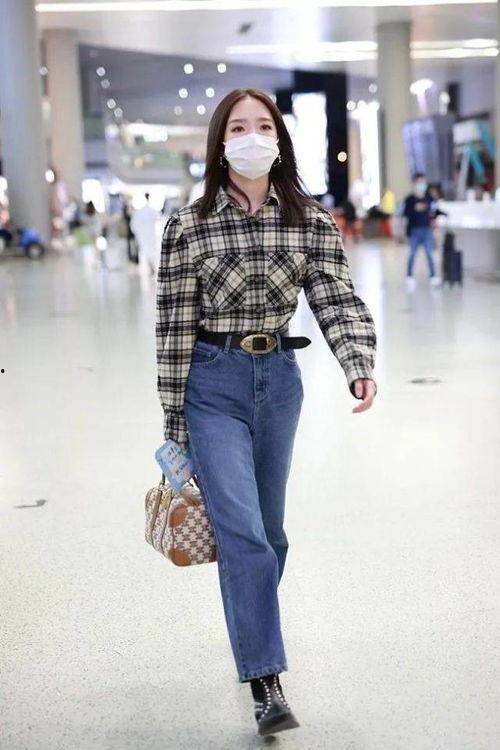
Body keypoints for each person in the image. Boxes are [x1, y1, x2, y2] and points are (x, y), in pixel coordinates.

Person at [155, 88, 377, 737]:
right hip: (211, 383)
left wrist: (358, 362)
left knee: (270, 535)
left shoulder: (309, 220)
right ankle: (265, 681)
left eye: (262, 125)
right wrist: (175, 425)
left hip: (279, 380)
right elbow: (172, 328)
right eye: (237, 127)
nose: (251, 136)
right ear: (220, 144)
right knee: (244, 534)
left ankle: (252, 628)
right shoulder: (188, 225)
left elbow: (336, 296)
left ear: (278, 139)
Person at [403, 173, 441, 290]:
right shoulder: (409, 199)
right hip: (414, 231)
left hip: (427, 230)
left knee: (430, 254)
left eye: (423, 182)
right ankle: (409, 275)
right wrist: (414, 209)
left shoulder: (429, 198)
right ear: (414, 183)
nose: (421, 185)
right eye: (419, 182)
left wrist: (436, 220)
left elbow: (435, 211)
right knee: (412, 254)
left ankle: (433, 275)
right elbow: (405, 214)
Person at [131, 193, 161, 275]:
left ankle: (151, 266)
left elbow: (133, 225)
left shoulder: (140, 212)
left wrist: (136, 234)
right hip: (147, 235)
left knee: (147, 251)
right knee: (148, 251)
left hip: (145, 235)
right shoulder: (149, 211)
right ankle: (151, 266)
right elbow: (158, 218)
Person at [82, 201, 107, 269]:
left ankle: (96, 260)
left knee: (93, 247)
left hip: (91, 232)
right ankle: (97, 259)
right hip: (95, 232)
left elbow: (85, 224)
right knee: (95, 247)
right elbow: (98, 223)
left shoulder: (87, 214)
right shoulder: (94, 213)